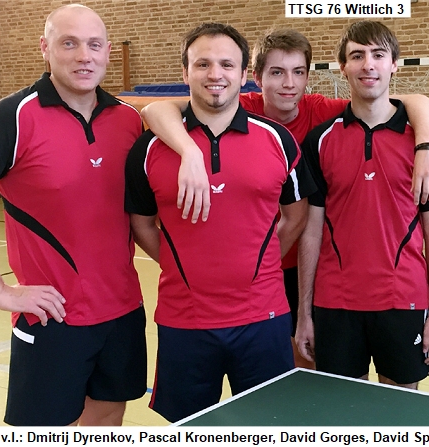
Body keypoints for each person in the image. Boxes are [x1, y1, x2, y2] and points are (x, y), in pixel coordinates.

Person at [140, 28, 429, 369]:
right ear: (255, 78)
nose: (288, 84)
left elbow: (410, 101)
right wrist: (190, 151)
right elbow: (156, 109)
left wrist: (426, 144)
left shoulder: (322, 112)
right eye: (276, 72)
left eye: (298, 72)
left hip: (305, 265)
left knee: (305, 363)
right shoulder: (237, 107)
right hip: (252, 275)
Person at [0, 4, 146, 426]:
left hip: (122, 310)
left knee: (108, 415)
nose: (84, 56)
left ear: (108, 52)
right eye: (69, 43)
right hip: (52, 316)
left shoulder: (129, 120)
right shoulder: (14, 116)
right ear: (45, 48)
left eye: (94, 45)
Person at [125, 22, 316, 423]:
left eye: (227, 64)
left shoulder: (278, 140)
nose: (216, 74)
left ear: (244, 74)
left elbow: (296, 215)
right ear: (185, 73)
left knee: (270, 426)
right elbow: (141, 225)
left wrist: (261, 262)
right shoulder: (149, 148)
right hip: (184, 321)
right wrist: (181, 264)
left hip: (263, 319)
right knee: (191, 428)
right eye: (203, 64)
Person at [295, 21, 429, 389]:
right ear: (343, 67)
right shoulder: (320, 140)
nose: (368, 64)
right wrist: (304, 313)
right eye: (357, 56)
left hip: (403, 300)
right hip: (336, 302)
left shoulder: (424, 144)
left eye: (378, 55)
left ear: (394, 64)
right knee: (342, 408)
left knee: (400, 409)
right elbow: (311, 231)